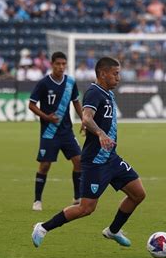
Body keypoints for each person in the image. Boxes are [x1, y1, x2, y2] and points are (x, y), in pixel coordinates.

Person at [32, 57, 146, 248]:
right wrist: (99, 132)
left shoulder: (108, 93)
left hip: (111, 158)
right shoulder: (94, 92)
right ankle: (42, 227)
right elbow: (86, 117)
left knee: (138, 194)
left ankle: (113, 231)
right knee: (86, 208)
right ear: (102, 74)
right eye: (115, 73)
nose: (119, 77)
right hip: (95, 162)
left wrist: (96, 129)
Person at [28, 52, 83, 211]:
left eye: (63, 64)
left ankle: (77, 197)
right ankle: (37, 200)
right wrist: (46, 117)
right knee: (45, 166)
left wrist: (84, 120)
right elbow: (31, 104)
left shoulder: (70, 82)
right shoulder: (44, 83)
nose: (61, 67)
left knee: (79, 161)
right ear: (52, 64)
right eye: (58, 64)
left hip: (66, 131)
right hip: (49, 132)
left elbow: (76, 102)